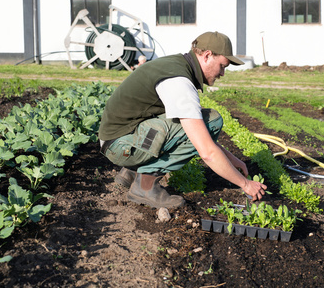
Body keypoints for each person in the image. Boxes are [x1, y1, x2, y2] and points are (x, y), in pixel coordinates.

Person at [98, 31, 267, 208]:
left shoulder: (176, 65)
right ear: (208, 55)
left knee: (198, 124)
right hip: (120, 146)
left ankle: (131, 172)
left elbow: (195, 132)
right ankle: (144, 184)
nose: (222, 73)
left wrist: (233, 160)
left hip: (120, 138)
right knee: (212, 120)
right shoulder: (179, 81)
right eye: (222, 66)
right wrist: (245, 184)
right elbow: (206, 151)